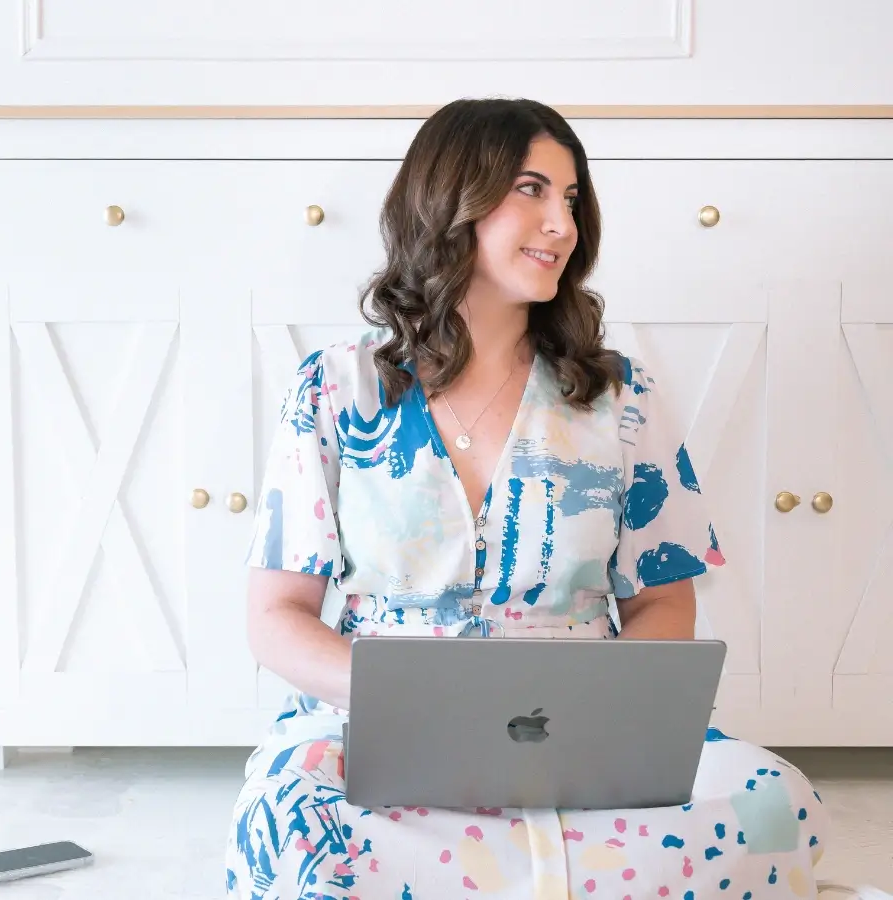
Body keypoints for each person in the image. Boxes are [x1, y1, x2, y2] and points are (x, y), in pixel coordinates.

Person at [224, 98, 828, 899]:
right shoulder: (337, 389)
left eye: (572, 200)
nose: (562, 224)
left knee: (773, 804)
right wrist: (407, 702)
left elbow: (663, 604)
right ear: (451, 200)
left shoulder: (619, 395)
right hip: (381, 726)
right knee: (299, 826)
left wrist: (592, 719)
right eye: (532, 190)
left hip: (583, 730)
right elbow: (277, 616)